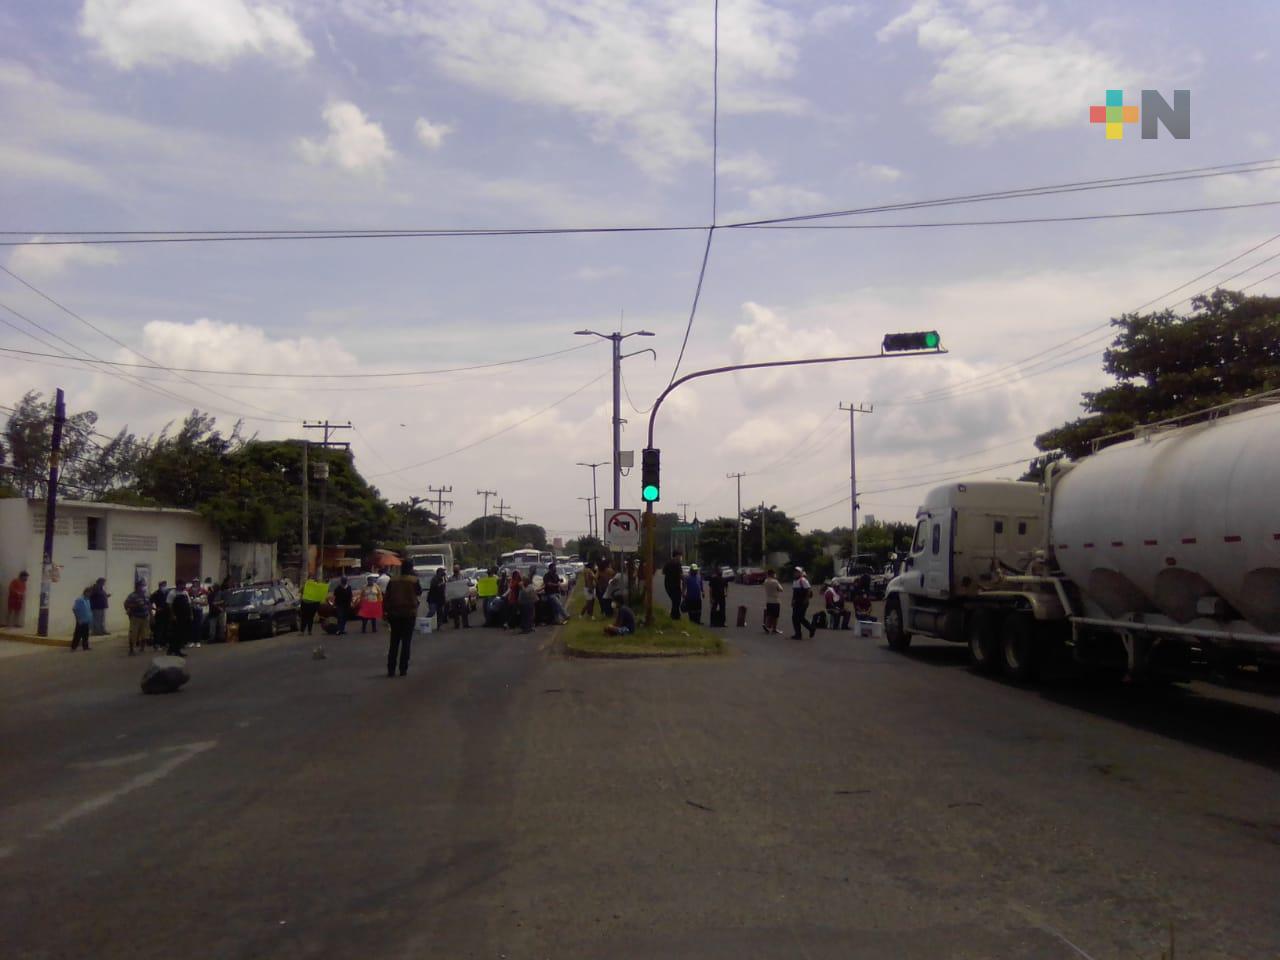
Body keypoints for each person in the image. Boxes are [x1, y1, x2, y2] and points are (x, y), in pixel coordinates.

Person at [383, 560, 422, 677]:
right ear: (411, 568)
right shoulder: (414, 580)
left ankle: (391, 669)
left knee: (394, 642)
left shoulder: (393, 580)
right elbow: (419, 592)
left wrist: (385, 612)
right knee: (406, 642)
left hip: (394, 614)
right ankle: (403, 669)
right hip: (409, 614)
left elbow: (387, 596)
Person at [124, 579, 151, 655]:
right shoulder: (132, 595)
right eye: (141, 585)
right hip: (136, 617)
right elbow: (126, 604)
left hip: (145, 617)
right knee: (133, 634)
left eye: (144, 585)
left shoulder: (146, 595)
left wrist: (151, 615)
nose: (143, 587)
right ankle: (131, 650)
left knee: (145, 633)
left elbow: (149, 605)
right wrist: (134, 607)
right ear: (137, 587)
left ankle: (142, 648)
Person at [791, 567, 816, 640]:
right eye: (795, 572)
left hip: (803, 602)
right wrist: (792, 600)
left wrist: (806, 600)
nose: (796, 573)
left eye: (797, 572)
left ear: (800, 573)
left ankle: (811, 628)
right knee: (794, 618)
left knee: (800, 617)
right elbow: (794, 593)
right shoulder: (795, 581)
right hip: (797, 602)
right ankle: (798, 634)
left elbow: (808, 590)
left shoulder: (803, 580)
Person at [169, 582, 192, 656]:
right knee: (176, 633)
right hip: (177, 616)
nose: (184, 586)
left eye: (184, 585)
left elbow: (189, 604)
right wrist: (173, 615)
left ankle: (176, 650)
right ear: (178, 585)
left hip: (185, 616)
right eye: (182, 585)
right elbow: (169, 605)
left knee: (182, 633)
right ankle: (174, 650)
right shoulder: (172, 593)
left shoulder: (185, 593)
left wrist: (191, 614)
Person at [448, 564, 471, 629]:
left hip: (461, 596)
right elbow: (449, 588)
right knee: (455, 612)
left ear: (459, 570)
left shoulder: (463, 577)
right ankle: (456, 625)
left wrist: (468, 582)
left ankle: (465, 624)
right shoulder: (450, 578)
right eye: (455, 569)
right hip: (454, 597)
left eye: (457, 569)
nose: (456, 570)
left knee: (464, 611)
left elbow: (469, 583)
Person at [662, 550, 684, 620]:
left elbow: (663, 572)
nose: (681, 557)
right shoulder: (678, 564)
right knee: (677, 601)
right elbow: (681, 575)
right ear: (677, 556)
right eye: (680, 556)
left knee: (675, 601)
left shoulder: (668, 563)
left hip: (667, 585)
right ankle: (674, 616)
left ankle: (675, 615)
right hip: (675, 585)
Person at [150, 580, 171, 651]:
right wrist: (155, 609)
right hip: (160, 613)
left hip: (167, 613)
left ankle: (164, 643)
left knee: (166, 628)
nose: (164, 586)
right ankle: (157, 644)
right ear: (159, 586)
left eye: (165, 585)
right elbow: (149, 603)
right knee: (159, 629)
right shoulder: (156, 594)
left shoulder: (168, 593)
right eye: (163, 585)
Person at [71, 587, 93, 651]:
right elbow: (75, 609)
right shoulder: (80, 600)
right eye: (89, 593)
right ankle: (73, 647)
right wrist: (78, 619)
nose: (90, 594)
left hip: (87, 620)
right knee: (78, 634)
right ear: (86, 592)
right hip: (81, 620)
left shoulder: (88, 600)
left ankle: (85, 646)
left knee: (86, 634)